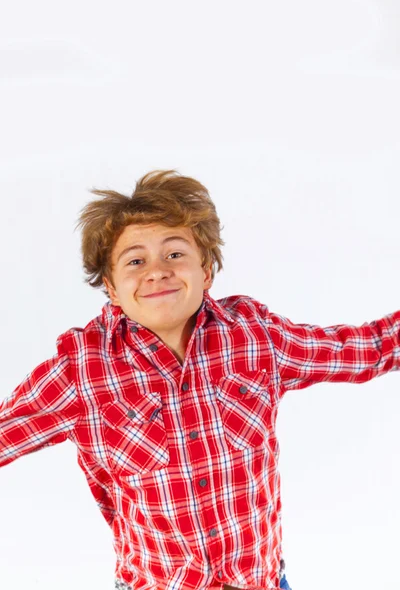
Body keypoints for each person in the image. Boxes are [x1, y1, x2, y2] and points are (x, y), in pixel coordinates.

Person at [2, 169, 399, 590]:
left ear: (207, 271)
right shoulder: (82, 368)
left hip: (259, 580)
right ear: (112, 288)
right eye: (135, 261)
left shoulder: (254, 335)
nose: (157, 272)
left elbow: (364, 350)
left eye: (175, 254)